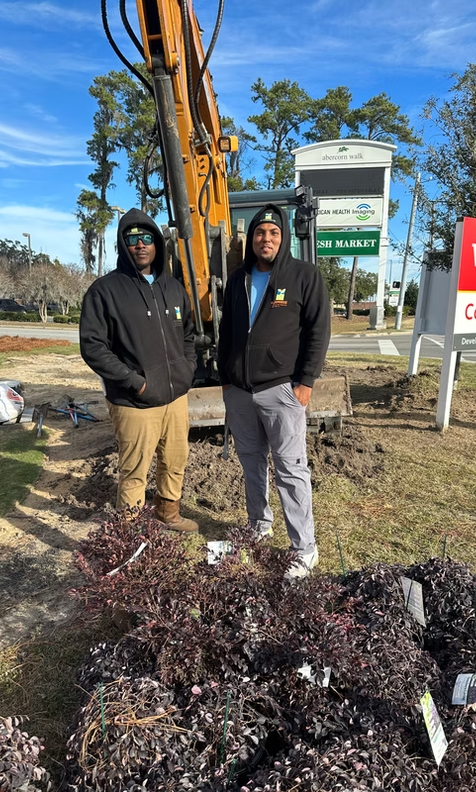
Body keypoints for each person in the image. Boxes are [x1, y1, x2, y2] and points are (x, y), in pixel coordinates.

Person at [217, 204, 330, 578]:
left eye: (273, 233)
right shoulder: (238, 279)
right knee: (251, 463)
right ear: (251, 239)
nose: (266, 239)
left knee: (290, 469)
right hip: (240, 391)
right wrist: (225, 377)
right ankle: (258, 525)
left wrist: (305, 382)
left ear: (282, 238)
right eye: (259, 233)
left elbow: (318, 331)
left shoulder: (303, 276)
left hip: (281, 390)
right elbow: (227, 332)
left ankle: (304, 548)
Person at [80, 208, 198, 532]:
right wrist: (136, 383)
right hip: (134, 402)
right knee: (134, 471)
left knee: (174, 461)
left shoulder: (173, 288)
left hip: (175, 398)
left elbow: (188, 334)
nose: (141, 244)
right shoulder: (104, 291)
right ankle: (129, 536)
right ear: (123, 244)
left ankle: (167, 514)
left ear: (157, 243)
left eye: (147, 237)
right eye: (133, 239)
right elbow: (93, 347)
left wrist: (187, 370)